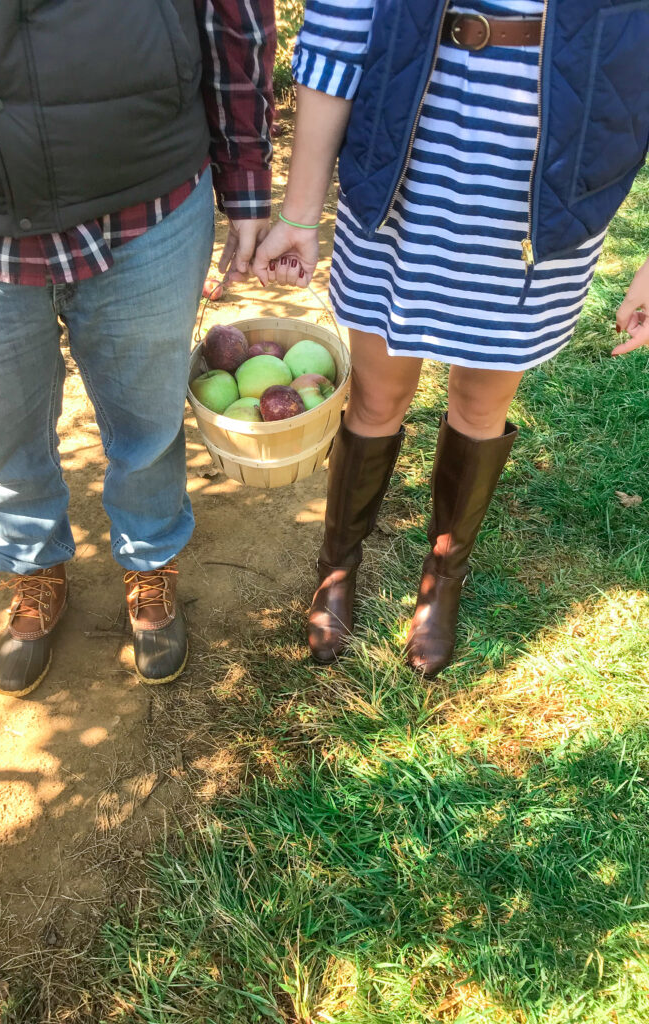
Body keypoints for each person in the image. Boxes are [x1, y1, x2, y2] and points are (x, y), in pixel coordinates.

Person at [0, 1, 275, 697]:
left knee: (148, 418)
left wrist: (245, 186)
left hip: (147, 201)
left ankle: (150, 559)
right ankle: (34, 566)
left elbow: (233, 15)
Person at [254, 0, 649, 675]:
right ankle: (337, 565)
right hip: (403, 168)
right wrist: (299, 209)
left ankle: (443, 580)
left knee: (480, 403)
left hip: (544, 189)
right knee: (376, 398)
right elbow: (338, 33)